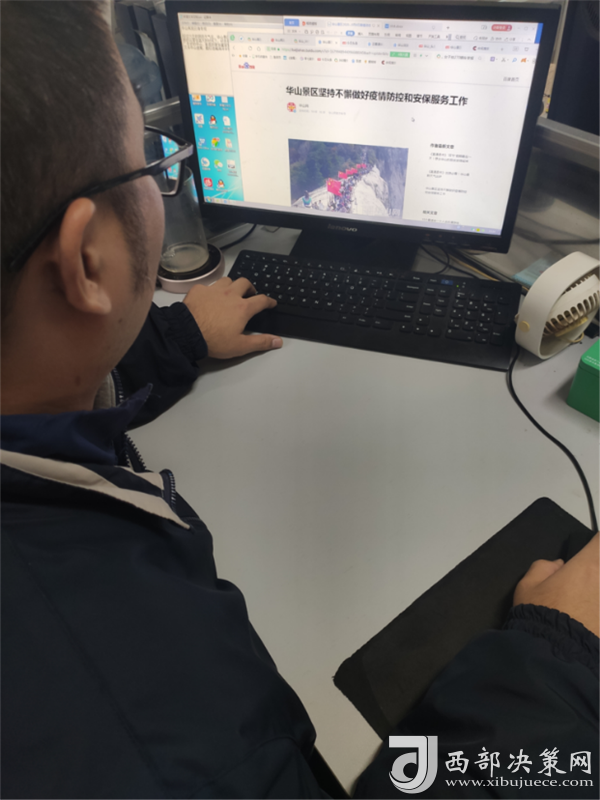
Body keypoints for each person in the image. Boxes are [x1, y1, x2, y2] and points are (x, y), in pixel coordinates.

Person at [1, 4, 597, 799]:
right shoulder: (143, 715)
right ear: (85, 260)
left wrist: (172, 339)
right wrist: (558, 656)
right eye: (148, 159)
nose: (161, 176)